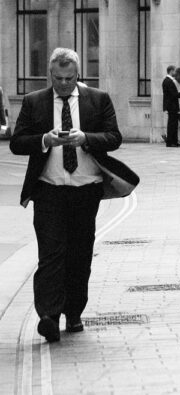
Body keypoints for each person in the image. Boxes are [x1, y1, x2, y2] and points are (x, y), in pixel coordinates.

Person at [9, 48, 125, 342]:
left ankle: (73, 313)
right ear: (51, 75)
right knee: (50, 253)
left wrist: (86, 138)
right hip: (48, 191)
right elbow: (17, 142)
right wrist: (44, 140)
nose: (63, 84)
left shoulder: (97, 100)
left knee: (79, 254)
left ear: (78, 75)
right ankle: (48, 315)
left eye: (69, 78)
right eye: (58, 78)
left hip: (85, 191)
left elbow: (114, 137)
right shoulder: (34, 102)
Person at [162, 65, 180, 147]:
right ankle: (171, 141)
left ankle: (173, 141)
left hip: (171, 106)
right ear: (171, 71)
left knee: (173, 124)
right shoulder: (168, 81)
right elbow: (173, 94)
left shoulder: (167, 81)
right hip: (172, 106)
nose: (175, 73)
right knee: (172, 124)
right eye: (174, 71)